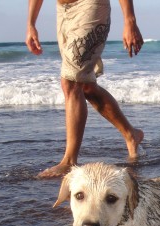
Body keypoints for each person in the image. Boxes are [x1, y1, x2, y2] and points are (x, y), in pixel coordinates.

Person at [26, 0, 145, 178]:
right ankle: (131, 134)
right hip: (63, 11)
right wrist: (31, 24)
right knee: (86, 86)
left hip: (91, 6)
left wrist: (130, 21)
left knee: (71, 82)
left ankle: (69, 161)